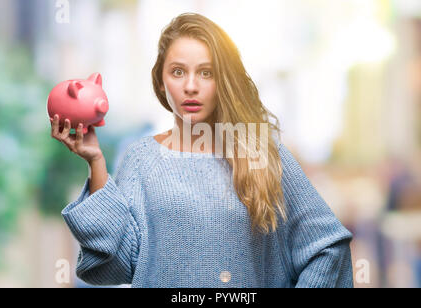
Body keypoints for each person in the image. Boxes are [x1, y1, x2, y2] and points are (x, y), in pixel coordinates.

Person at [51, 12, 354, 288]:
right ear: (160, 82)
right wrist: (95, 160)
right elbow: (114, 265)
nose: (191, 86)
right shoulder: (141, 159)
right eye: (178, 72)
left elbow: (327, 245)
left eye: (206, 73)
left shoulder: (262, 152)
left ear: (223, 81)